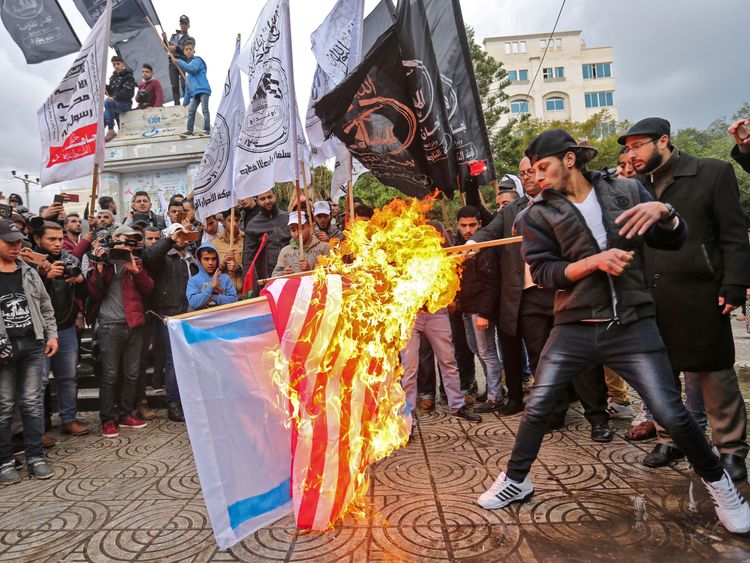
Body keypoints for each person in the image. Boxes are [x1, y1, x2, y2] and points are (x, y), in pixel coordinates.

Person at [477, 128, 750, 535]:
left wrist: (668, 214)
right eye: (532, 171)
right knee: (538, 405)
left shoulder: (626, 191)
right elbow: (548, 275)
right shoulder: (534, 215)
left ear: (569, 159)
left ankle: (722, 485)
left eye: (543, 167)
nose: (538, 177)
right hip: (573, 327)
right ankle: (516, 480)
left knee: (670, 412)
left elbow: (674, 241)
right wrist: (593, 263)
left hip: (632, 324)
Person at [619, 117, 750, 480]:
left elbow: (734, 234)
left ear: (664, 140)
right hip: (649, 294)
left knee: (714, 374)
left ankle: (731, 449)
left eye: (639, 145)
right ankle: (670, 439)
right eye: (628, 147)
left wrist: (734, 284)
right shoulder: (634, 186)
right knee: (660, 377)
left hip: (700, 290)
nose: (632, 153)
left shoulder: (711, 173)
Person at [0, 219, 58, 483]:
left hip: (33, 343)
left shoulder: (28, 271)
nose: (15, 247)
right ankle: (5, 462)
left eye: (17, 242)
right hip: (4, 349)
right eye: (8, 242)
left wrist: (52, 335)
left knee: (32, 403)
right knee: (5, 406)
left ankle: (36, 457)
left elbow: (45, 305)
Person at [86, 225, 153, 438]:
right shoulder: (102, 262)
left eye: (133, 242)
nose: (129, 246)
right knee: (110, 375)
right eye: (125, 241)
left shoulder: (138, 263)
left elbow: (149, 289)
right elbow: (95, 293)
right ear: (114, 240)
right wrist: (98, 266)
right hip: (109, 326)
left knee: (132, 374)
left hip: (134, 324)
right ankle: (107, 419)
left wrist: (135, 270)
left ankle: (126, 414)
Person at [30, 222, 88, 438]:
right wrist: (46, 277)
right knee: (39, 381)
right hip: (39, 331)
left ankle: (68, 419)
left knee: (68, 377)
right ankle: (39, 429)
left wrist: (81, 280)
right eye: (51, 239)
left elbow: (85, 291)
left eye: (59, 239)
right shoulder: (28, 261)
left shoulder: (70, 259)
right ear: (37, 240)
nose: (57, 244)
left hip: (65, 326)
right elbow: (27, 297)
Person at [141, 224, 199, 422]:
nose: (182, 238)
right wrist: (169, 240)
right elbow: (149, 256)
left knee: (190, 360)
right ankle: (173, 403)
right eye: (178, 235)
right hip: (170, 314)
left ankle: (189, 402)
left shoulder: (192, 258)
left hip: (190, 314)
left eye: (184, 234)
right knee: (173, 361)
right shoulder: (163, 257)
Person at [454, 206, 503, 412]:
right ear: (457, 225)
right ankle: (491, 390)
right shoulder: (458, 245)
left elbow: (492, 283)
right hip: (467, 309)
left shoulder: (485, 247)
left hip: (480, 311)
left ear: (479, 224)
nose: (468, 229)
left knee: (487, 352)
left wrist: (484, 313)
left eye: (472, 224)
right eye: (463, 225)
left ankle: (496, 396)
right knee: (477, 351)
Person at [242, 190, 290, 286]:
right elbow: (248, 259)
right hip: (268, 280)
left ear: (275, 196)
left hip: (292, 273)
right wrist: (251, 286)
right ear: (257, 201)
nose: (267, 201)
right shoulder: (253, 226)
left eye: (270, 197)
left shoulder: (288, 218)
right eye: (263, 199)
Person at [170, 41, 211, 136]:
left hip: (203, 89)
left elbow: (193, 69)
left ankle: (206, 129)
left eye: (190, 49)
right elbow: (188, 88)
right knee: (191, 111)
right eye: (186, 50)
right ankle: (189, 130)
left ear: (194, 51)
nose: (188, 51)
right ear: (184, 52)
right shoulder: (188, 73)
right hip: (195, 93)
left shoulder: (197, 60)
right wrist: (185, 101)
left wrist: (178, 61)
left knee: (205, 109)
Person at [186, 245, 238, 311]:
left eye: (214, 259)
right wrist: (211, 286)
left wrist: (214, 297)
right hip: (203, 320)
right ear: (199, 261)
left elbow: (234, 301)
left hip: (223, 319)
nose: (211, 263)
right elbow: (193, 302)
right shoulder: (193, 280)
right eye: (206, 259)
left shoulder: (225, 278)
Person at [162, 15, 194, 105]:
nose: (183, 25)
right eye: (182, 23)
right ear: (180, 24)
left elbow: (188, 48)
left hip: (182, 62)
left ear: (188, 25)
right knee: (174, 84)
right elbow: (167, 48)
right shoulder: (174, 36)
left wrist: (176, 48)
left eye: (185, 23)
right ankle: (177, 104)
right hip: (172, 61)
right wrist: (165, 40)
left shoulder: (190, 39)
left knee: (184, 83)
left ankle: (187, 102)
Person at [104, 56, 135, 143]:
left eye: (118, 64)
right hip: (114, 105)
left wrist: (114, 97)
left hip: (124, 104)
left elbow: (127, 92)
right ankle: (97, 137)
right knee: (100, 118)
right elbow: (109, 91)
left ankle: (111, 130)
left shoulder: (129, 76)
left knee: (107, 102)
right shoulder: (113, 78)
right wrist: (102, 85)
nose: (116, 66)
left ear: (123, 64)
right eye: (114, 65)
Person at [210, 211, 244, 292]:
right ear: (223, 221)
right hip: (223, 293)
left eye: (237, 220)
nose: (234, 224)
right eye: (230, 220)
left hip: (243, 291)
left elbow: (253, 265)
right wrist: (224, 261)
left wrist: (238, 268)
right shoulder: (214, 242)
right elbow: (210, 270)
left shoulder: (246, 240)